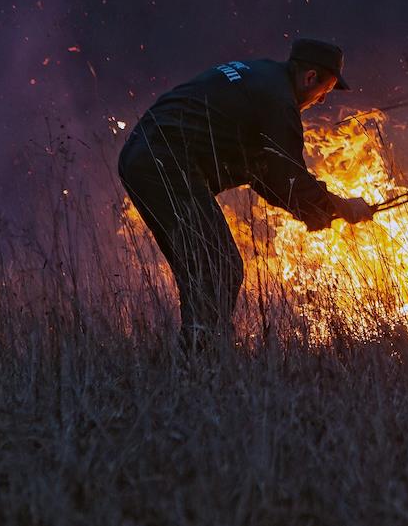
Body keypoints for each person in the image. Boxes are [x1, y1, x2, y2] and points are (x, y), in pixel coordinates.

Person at [118, 38, 374, 349]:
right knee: (219, 265)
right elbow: (289, 176)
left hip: (142, 156)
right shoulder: (278, 99)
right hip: (165, 161)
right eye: (326, 90)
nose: (321, 100)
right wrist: (342, 206)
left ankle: (195, 352)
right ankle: (203, 355)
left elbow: (264, 174)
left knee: (201, 266)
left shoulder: (261, 76)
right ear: (310, 77)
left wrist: (314, 211)